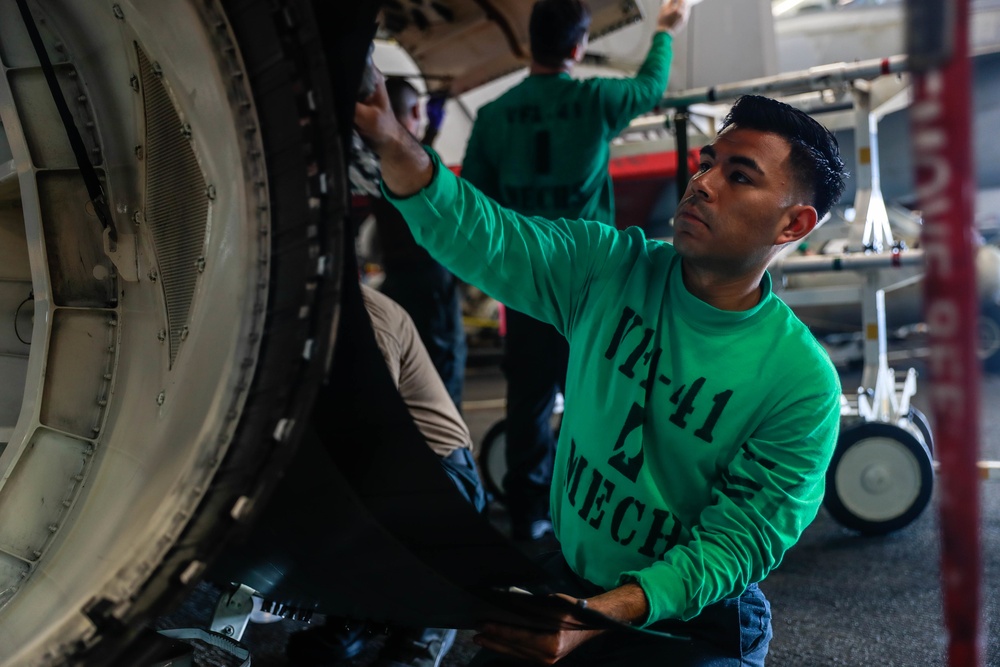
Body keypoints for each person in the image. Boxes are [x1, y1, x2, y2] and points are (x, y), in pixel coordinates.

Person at [355, 65, 846, 665]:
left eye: (738, 176)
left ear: (794, 223)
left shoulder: (801, 383)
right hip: (575, 573)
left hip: (689, 620)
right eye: (707, 162)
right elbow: (485, 235)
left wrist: (599, 615)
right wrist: (391, 140)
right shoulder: (606, 267)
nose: (703, 183)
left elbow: (737, 544)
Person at [460, 0, 690, 541]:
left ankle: (527, 516)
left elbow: (474, 197)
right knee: (596, 398)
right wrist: (664, 31)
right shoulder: (594, 100)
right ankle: (596, 514)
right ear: (579, 46)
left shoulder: (494, 116)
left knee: (528, 400)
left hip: (524, 280)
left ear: (528, 44)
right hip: (592, 286)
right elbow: (649, 87)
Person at [286, 285, 484, 667]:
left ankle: (420, 634)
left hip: (442, 477)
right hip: (389, 465)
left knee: (355, 490)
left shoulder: (366, 319)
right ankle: (360, 617)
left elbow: (374, 435)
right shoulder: (303, 306)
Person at [371, 77, 467, 410]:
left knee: (405, 378)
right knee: (442, 381)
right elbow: (417, 165)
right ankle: (447, 459)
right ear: (415, 110)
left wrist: (429, 135)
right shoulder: (416, 159)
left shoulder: (373, 161)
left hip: (395, 283)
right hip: (431, 284)